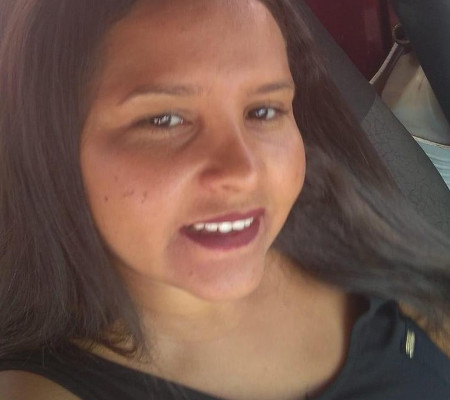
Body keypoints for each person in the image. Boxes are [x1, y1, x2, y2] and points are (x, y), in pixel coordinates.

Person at [0, 0, 449, 399]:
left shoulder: (345, 222)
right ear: (47, 152)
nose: (244, 172)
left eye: (263, 111)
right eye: (164, 120)